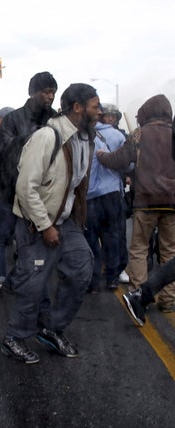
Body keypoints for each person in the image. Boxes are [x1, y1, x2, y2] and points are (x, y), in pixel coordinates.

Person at [0, 83, 100, 364]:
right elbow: (25, 188)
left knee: (82, 268)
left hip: (65, 221)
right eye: (95, 106)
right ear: (78, 108)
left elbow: (75, 185)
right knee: (33, 284)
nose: (99, 111)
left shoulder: (84, 139)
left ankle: (50, 328)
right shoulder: (48, 137)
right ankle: (14, 337)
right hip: (36, 222)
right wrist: (45, 226)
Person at [98, 95, 175, 314]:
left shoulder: (139, 134)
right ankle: (168, 300)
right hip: (172, 201)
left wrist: (102, 156)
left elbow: (119, 160)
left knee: (140, 249)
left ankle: (138, 293)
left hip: (146, 201)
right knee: (170, 251)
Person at [0, 72, 59, 297]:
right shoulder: (13, 120)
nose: (50, 97)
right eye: (46, 92)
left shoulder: (55, 120)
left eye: (53, 93)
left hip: (40, 194)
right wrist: (36, 138)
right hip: (9, 192)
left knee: (32, 244)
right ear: (33, 93)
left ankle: (25, 280)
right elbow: (5, 152)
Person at [83, 103, 128, 293]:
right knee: (112, 237)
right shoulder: (118, 136)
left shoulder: (83, 136)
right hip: (111, 194)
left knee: (91, 240)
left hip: (90, 195)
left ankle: (93, 282)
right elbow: (128, 166)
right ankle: (112, 279)